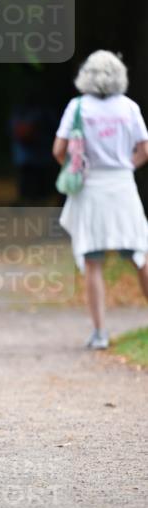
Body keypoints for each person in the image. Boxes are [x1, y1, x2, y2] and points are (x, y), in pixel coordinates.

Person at [53, 50, 148, 349]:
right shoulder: (129, 107)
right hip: (122, 187)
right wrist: (124, 167)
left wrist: (77, 168)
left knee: (93, 261)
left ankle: (100, 332)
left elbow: (59, 150)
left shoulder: (77, 106)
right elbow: (144, 149)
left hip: (90, 188)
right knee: (141, 255)